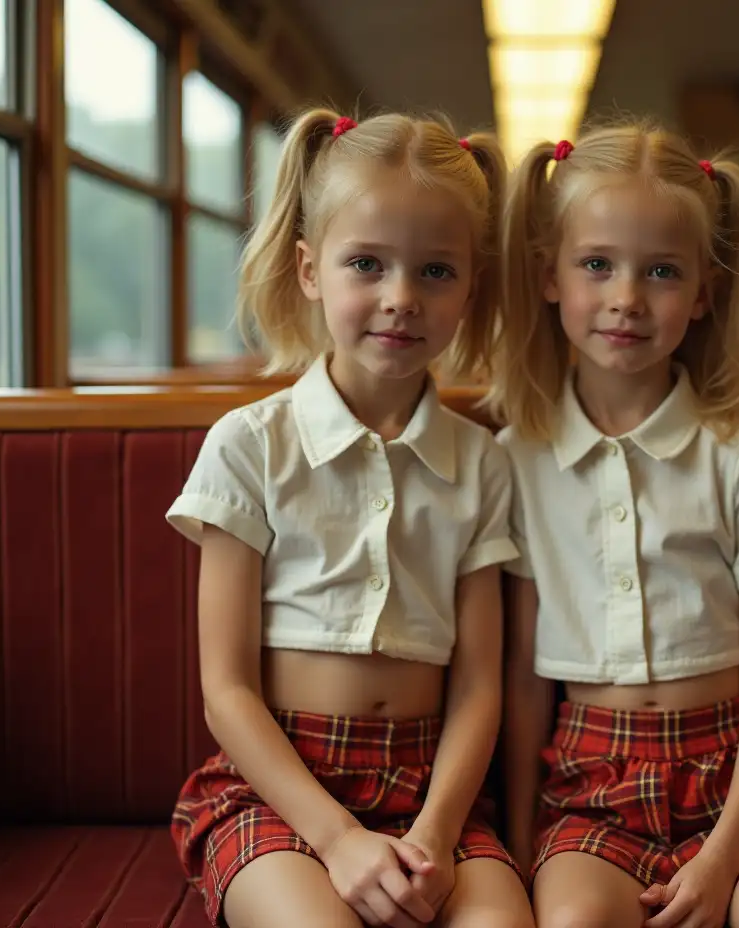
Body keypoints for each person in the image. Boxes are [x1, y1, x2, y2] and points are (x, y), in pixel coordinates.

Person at [166, 107, 533, 928]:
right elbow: (225, 688)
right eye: (366, 263)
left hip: (431, 793)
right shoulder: (250, 446)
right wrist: (335, 838)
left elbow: (478, 683)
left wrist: (436, 833)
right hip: (280, 794)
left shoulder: (483, 463)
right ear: (308, 269)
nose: (400, 299)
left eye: (436, 271)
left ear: (472, 285)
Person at [488, 124, 739, 928]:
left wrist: (724, 858)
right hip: (591, 787)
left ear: (701, 294)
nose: (626, 296)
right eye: (597, 264)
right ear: (548, 276)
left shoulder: (738, 455)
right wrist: (521, 845)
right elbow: (522, 678)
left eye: (661, 271)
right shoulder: (516, 459)